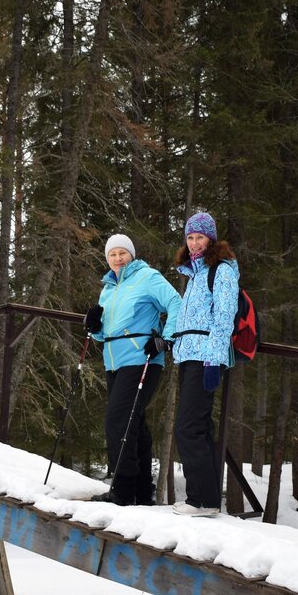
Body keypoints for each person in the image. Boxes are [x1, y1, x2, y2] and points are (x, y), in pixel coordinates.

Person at [85, 233, 180, 505]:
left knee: (117, 420)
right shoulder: (108, 287)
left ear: (131, 254)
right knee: (132, 420)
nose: (117, 258)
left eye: (122, 253)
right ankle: (141, 490)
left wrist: (166, 338)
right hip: (114, 361)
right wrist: (95, 327)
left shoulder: (147, 277)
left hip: (142, 358)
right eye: (112, 254)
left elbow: (175, 302)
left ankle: (123, 489)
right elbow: (105, 334)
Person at [169, 212, 239, 517]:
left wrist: (213, 359)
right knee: (198, 426)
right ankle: (208, 500)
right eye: (190, 237)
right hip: (188, 354)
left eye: (200, 237)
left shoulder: (221, 270)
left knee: (187, 428)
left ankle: (199, 499)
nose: (195, 243)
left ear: (211, 238)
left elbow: (224, 316)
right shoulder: (195, 273)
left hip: (205, 357)